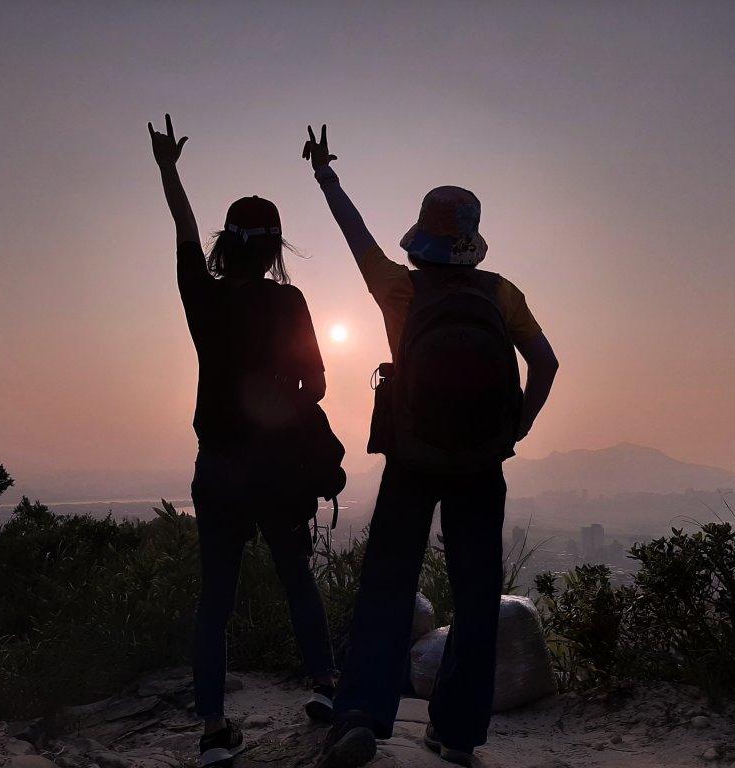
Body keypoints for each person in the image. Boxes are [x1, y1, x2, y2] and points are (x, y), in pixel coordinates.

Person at [301, 125, 559, 768]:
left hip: (413, 458)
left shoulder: (399, 288)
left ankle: (361, 713)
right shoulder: (501, 292)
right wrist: (516, 429)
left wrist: (325, 176)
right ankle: (458, 732)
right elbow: (547, 363)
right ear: (471, 240)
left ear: (422, 235)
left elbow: (354, 235)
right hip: (481, 463)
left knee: (387, 584)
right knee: (476, 597)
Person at [148, 114, 338, 768]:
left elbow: (182, 230)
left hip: (219, 470)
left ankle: (213, 731)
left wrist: (169, 170)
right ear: (275, 248)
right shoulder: (290, 305)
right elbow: (316, 385)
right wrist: (282, 400)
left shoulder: (202, 295)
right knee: (297, 583)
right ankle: (329, 691)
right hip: (279, 472)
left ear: (227, 246)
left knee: (216, 601)